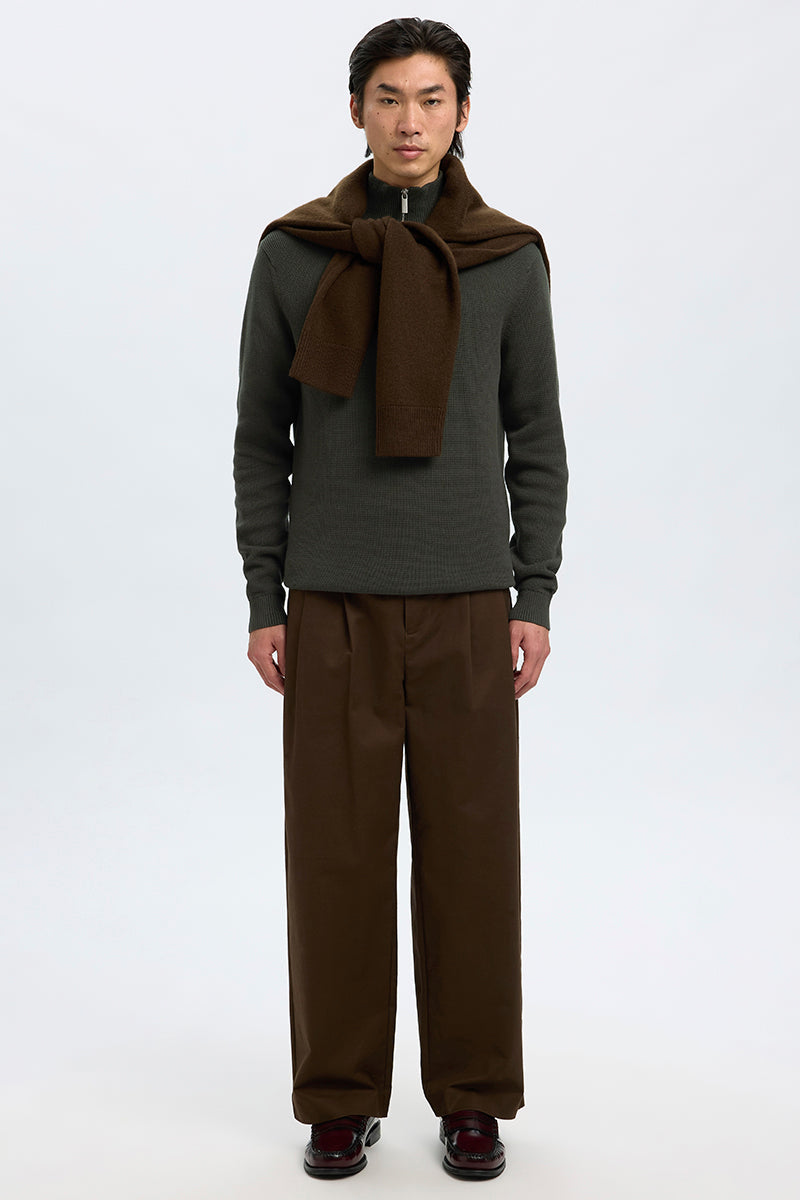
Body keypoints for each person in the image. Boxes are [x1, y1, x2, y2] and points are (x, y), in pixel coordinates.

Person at [233, 16, 568, 1181]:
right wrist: (264, 596)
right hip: (330, 603)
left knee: (472, 856)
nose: (409, 120)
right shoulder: (296, 253)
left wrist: (532, 593)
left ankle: (471, 1098)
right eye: (388, 97)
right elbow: (260, 437)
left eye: (430, 98)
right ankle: (337, 1099)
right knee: (333, 859)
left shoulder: (507, 258)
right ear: (355, 110)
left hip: (470, 602)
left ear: (462, 113)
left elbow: (535, 435)